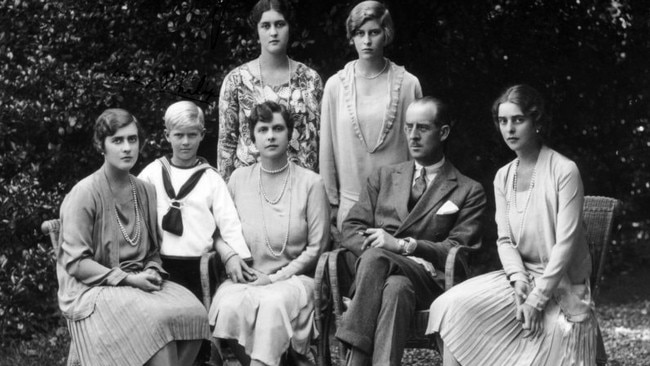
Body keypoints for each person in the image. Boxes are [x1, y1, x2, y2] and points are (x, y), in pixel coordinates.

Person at [427, 85, 597, 366]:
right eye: (503, 121)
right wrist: (518, 280)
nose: (510, 129)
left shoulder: (564, 170)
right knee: (450, 305)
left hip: (561, 285)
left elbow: (565, 245)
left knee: (545, 341)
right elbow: (504, 240)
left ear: (536, 122)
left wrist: (535, 300)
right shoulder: (503, 176)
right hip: (520, 278)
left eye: (518, 120)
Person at [336, 97, 486, 366]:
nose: (413, 136)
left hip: (429, 280)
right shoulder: (384, 176)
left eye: (423, 128)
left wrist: (405, 246)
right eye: (408, 128)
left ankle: (355, 358)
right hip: (384, 280)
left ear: (443, 133)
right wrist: (383, 250)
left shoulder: (468, 189)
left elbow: (460, 249)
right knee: (395, 287)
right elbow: (350, 227)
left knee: (376, 257)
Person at [56, 108, 209, 366]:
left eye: (132, 139)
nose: (127, 148)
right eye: (117, 141)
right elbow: (76, 263)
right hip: (93, 287)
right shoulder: (84, 193)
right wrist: (128, 279)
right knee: (159, 324)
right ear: (101, 146)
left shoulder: (145, 190)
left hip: (136, 279)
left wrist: (151, 270)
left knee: (195, 312)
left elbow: (151, 251)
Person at [208, 101, 330, 366]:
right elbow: (217, 230)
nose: (271, 136)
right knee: (227, 304)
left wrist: (275, 278)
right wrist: (229, 256)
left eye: (278, 128)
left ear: (290, 134)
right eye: (263, 130)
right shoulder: (239, 179)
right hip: (250, 278)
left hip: (295, 280)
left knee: (274, 303)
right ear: (253, 138)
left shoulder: (311, 183)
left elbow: (317, 247)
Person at [319, 0, 423, 229]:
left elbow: (420, 149)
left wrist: (416, 199)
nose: (366, 41)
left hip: (398, 209)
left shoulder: (407, 84)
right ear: (351, 36)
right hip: (350, 209)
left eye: (374, 32)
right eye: (359, 33)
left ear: (385, 34)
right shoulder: (335, 86)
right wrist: (332, 204)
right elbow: (326, 151)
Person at [138, 101, 252, 301]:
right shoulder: (152, 173)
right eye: (178, 135)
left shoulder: (211, 179)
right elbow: (134, 212)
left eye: (192, 135)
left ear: (202, 134)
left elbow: (229, 223)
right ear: (167, 135)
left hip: (200, 267)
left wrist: (242, 259)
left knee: (198, 320)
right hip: (160, 265)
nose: (185, 142)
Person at [217, 0, 323, 180]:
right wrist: (225, 198)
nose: (273, 32)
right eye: (265, 26)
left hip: (300, 188)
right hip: (250, 189)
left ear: (289, 28)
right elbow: (226, 146)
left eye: (280, 24)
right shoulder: (237, 80)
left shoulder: (310, 79)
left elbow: (318, 140)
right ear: (257, 31)